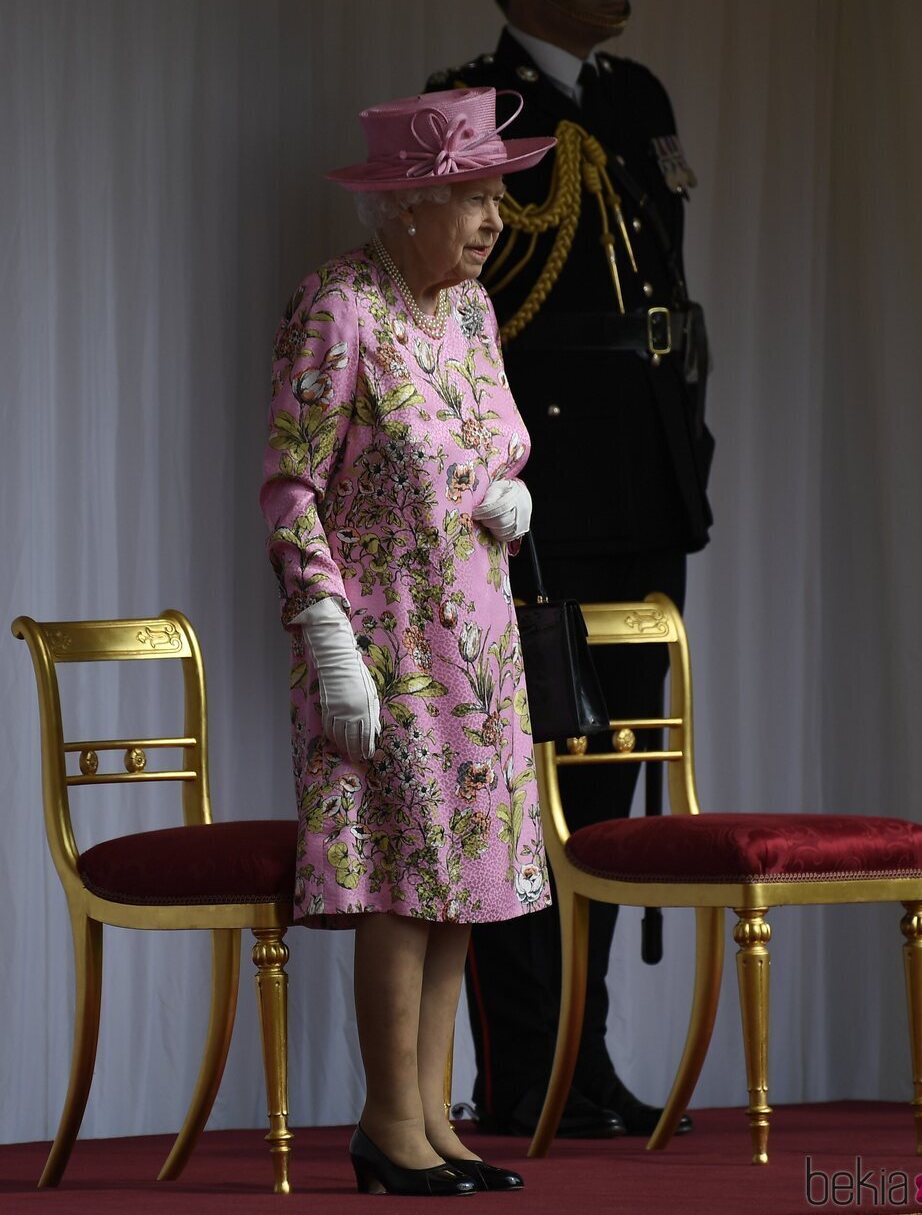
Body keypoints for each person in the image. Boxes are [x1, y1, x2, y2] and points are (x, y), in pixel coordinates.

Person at [425, 0, 713, 1140]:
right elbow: (453, 298)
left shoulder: (637, 99)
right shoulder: (473, 108)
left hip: (645, 484)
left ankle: (584, 1068)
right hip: (541, 498)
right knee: (520, 791)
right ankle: (522, 1073)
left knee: (608, 796)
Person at [260, 86, 557, 1196]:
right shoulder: (337, 306)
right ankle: (390, 1121)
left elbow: (493, 445)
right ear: (404, 205)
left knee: (461, 884)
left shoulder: (472, 313)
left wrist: (509, 491)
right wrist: (323, 628)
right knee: (398, 876)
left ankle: (434, 1118)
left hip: (475, 637)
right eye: (471, 199)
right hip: (377, 639)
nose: (492, 221)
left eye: (494, 198)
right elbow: (290, 484)